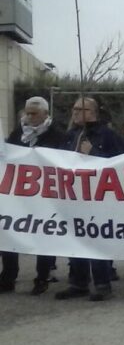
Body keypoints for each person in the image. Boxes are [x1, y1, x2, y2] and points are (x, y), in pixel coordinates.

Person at [55, 97, 123, 301]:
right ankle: (78, 282)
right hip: (74, 196)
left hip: (98, 197)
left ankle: (102, 283)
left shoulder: (107, 135)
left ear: (92, 112)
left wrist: (92, 152)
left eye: (80, 109)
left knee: (95, 239)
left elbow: (120, 162)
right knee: (75, 239)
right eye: (73, 109)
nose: (74, 112)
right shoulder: (71, 135)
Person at [0, 97, 66, 295]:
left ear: (45, 114)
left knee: (43, 236)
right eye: (27, 113)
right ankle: (8, 275)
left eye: (34, 113)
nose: (29, 117)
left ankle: (42, 276)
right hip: (18, 194)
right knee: (10, 232)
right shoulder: (18, 133)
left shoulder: (57, 135)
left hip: (45, 195)